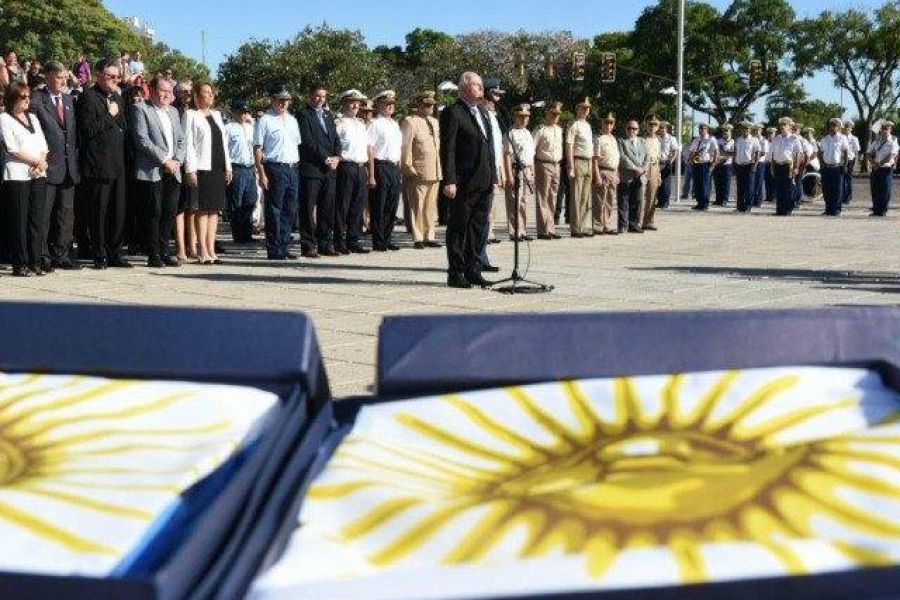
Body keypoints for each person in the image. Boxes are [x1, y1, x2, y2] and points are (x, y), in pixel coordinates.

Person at [440, 71, 496, 289]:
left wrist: (493, 175)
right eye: (476, 85)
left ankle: (473, 269)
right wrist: (449, 180)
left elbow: (488, 147)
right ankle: (456, 272)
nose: (481, 89)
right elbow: (448, 149)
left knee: (477, 227)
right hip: (463, 181)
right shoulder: (453, 113)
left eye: (481, 85)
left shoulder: (483, 113)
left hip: (483, 180)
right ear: (464, 89)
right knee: (459, 228)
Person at [76, 58, 131, 269]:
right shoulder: (88, 97)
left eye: (117, 77)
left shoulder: (118, 96)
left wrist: (116, 116)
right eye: (110, 76)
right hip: (98, 164)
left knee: (118, 211)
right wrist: (110, 115)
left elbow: (123, 125)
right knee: (99, 212)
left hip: (118, 162)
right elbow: (88, 130)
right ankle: (99, 253)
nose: (115, 80)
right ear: (98, 75)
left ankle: (115, 252)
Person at [29, 61, 81, 271]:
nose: (63, 81)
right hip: (47, 166)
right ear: (48, 76)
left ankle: (62, 254)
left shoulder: (68, 99)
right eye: (59, 77)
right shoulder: (37, 100)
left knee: (65, 213)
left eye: (65, 77)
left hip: (69, 166)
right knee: (44, 214)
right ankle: (42, 255)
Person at [131, 75, 185, 267]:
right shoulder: (141, 109)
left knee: (169, 213)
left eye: (169, 91)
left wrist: (177, 160)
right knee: (153, 213)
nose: (166, 94)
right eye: (162, 90)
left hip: (173, 170)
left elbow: (181, 140)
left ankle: (164, 251)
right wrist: (165, 160)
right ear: (152, 90)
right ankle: (153, 253)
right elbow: (142, 140)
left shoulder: (174, 112)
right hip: (152, 170)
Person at [0, 83, 49, 276]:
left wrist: (42, 162)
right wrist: (36, 161)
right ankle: (20, 263)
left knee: (36, 219)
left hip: (38, 173)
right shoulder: (4, 118)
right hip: (18, 174)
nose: (27, 99)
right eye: (23, 96)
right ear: (13, 98)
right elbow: (11, 148)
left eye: (28, 95)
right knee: (19, 220)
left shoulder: (34, 118)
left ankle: (35, 261)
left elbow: (43, 144)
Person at [183, 82, 231, 264]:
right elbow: (189, 144)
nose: (210, 96)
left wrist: (228, 167)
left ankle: (212, 249)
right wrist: (190, 169)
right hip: (202, 167)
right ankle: (202, 249)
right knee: (202, 210)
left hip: (218, 167)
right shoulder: (191, 115)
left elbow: (223, 143)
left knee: (214, 211)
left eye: (212, 93)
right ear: (196, 96)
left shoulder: (218, 115)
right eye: (206, 93)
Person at [254, 84, 301, 260]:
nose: (283, 103)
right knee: (274, 210)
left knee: (290, 209)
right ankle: (274, 248)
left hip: (291, 167)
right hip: (274, 167)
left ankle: (284, 245)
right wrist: (261, 173)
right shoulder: (265, 120)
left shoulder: (292, 120)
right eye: (280, 100)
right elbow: (258, 148)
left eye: (286, 100)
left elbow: (296, 144)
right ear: (273, 100)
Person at [297, 83, 341, 258]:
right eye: (317, 96)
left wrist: (337, 156)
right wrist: (326, 158)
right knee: (308, 209)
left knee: (327, 207)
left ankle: (325, 243)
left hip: (329, 170)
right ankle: (308, 245)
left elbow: (335, 138)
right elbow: (307, 141)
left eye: (323, 96)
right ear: (310, 96)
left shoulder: (328, 115)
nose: (320, 99)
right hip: (311, 169)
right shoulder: (303, 115)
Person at [401, 90, 442, 249]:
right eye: (426, 104)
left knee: (431, 206)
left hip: (434, 170)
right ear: (419, 105)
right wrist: (408, 167)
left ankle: (429, 235)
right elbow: (406, 146)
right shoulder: (411, 122)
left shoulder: (435, 122)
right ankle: (418, 237)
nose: (429, 107)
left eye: (431, 105)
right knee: (416, 205)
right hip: (418, 170)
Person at [334, 89, 370, 254]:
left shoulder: (362, 124)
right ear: (344, 103)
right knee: (343, 205)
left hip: (360, 166)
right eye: (351, 102)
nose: (355, 105)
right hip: (346, 166)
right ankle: (339, 240)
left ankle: (354, 240)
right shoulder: (339, 123)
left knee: (357, 205)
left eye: (357, 103)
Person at [367, 90, 403, 252]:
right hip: (380, 165)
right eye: (386, 104)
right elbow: (370, 148)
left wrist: (399, 168)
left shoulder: (395, 124)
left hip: (393, 166)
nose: (389, 107)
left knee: (392, 205)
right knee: (379, 205)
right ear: (379, 105)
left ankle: (387, 237)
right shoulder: (375, 124)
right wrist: (372, 174)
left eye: (391, 104)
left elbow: (398, 148)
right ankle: (378, 240)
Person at [224, 98, 258, 244]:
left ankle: (247, 233)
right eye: (241, 111)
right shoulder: (228, 128)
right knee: (236, 203)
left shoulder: (251, 128)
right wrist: (227, 168)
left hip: (250, 168)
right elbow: (224, 150)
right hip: (236, 168)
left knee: (250, 201)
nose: (244, 114)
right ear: (234, 112)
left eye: (246, 111)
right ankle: (238, 235)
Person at [503, 103, 535, 242]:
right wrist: (509, 175)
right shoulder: (510, 133)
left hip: (527, 169)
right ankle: (514, 231)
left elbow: (530, 154)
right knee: (513, 202)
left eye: (526, 117)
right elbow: (506, 155)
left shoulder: (528, 133)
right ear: (515, 117)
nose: (524, 119)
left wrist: (532, 171)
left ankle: (523, 230)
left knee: (524, 202)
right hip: (515, 169)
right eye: (521, 117)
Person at [532, 101, 563, 240]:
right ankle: (543, 230)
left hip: (556, 165)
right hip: (543, 164)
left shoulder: (559, 129)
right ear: (547, 114)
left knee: (553, 197)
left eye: (557, 114)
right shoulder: (540, 129)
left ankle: (551, 228)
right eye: (553, 114)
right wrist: (532, 169)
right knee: (542, 197)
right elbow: (532, 149)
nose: (555, 117)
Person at [566, 97, 593, 237]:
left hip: (588, 161)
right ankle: (576, 228)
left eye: (587, 108)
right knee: (576, 196)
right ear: (577, 109)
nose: (586, 110)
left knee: (585, 196)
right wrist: (570, 166)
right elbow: (569, 145)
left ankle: (583, 225)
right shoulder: (574, 124)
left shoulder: (587, 125)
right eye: (583, 108)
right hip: (578, 161)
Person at [617, 119, 648, 233]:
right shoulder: (621, 141)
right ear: (626, 129)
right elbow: (623, 157)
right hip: (627, 175)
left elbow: (647, 157)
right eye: (629, 128)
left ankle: (633, 224)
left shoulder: (642, 142)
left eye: (634, 129)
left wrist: (643, 168)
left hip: (640, 176)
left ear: (638, 130)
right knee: (623, 201)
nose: (631, 131)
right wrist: (635, 168)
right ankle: (622, 226)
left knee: (637, 201)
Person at [591, 112, 620, 235]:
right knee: (599, 201)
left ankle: (606, 224)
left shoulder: (613, 139)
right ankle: (597, 225)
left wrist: (617, 173)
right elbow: (595, 159)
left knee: (609, 201)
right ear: (602, 123)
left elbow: (616, 158)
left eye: (611, 123)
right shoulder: (598, 139)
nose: (608, 125)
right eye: (606, 122)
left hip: (612, 171)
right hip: (602, 170)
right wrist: (596, 175)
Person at [768, 117, 803, 216]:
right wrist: (772, 166)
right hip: (778, 165)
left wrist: (796, 167)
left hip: (788, 166)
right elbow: (772, 154)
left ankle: (787, 210)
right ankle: (779, 210)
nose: (782, 127)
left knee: (788, 189)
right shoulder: (777, 139)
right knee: (779, 189)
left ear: (789, 126)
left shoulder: (793, 138)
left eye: (785, 125)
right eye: (781, 125)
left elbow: (798, 154)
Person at [819, 118, 849, 217]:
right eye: (831, 125)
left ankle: (836, 209)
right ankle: (828, 209)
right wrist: (822, 164)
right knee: (827, 190)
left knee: (837, 190)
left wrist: (844, 165)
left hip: (837, 167)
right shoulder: (825, 138)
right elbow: (821, 152)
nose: (833, 127)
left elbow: (845, 152)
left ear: (839, 127)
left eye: (835, 126)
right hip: (826, 167)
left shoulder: (842, 138)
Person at [867, 121, 897, 217]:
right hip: (875, 168)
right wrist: (872, 162)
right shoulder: (876, 141)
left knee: (884, 190)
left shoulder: (893, 141)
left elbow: (891, 155)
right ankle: (876, 210)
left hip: (886, 168)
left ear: (890, 130)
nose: (884, 131)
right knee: (875, 189)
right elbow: (868, 153)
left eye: (886, 129)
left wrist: (879, 164)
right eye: (882, 129)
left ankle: (882, 211)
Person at [688, 123, 718, 210]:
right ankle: (699, 203)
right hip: (696, 163)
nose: (701, 130)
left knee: (705, 185)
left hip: (705, 163)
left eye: (703, 128)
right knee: (697, 184)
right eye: (700, 129)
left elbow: (716, 152)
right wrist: (689, 160)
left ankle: (705, 204)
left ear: (707, 129)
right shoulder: (696, 140)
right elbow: (691, 151)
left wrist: (713, 164)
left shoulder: (711, 139)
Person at [733, 121, 760, 213]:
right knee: (740, 187)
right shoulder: (738, 140)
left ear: (750, 130)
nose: (745, 130)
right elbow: (736, 152)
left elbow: (757, 153)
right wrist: (735, 163)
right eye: (744, 128)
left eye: (747, 129)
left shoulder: (754, 140)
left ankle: (748, 206)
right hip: (739, 165)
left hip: (749, 165)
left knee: (749, 187)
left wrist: (755, 165)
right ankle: (739, 206)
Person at [641, 116, 662, 231]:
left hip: (654, 166)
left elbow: (658, 159)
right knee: (642, 195)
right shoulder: (643, 140)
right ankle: (640, 220)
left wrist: (658, 174)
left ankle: (649, 221)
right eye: (650, 125)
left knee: (652, 196)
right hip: (645, 167)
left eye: (655, 125)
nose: (652, 127)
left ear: (658, 127)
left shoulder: (658, 141)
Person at [656, 120, 680, 210]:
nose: (661, 130)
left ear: (666, 129)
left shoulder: (671, 139)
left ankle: (666, 202)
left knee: (666, 184)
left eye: (663, 128)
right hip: (657, 163)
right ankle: (660, 201)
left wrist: (671, 161)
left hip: (666, 162)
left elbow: (675, 151)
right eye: (660, 128)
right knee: (658, 183)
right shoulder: (656, 138)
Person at [713, 124, 734, 206]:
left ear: (730, 132)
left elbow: (732, 153)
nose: (725, 133)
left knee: (726, 183)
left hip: (727, 164)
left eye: (727, 131)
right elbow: (716, 152)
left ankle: (725, 199)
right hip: (718, 164)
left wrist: (724, 157)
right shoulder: (718, 141)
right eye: (724, 131)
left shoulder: (732, 141)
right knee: (718, 183)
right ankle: (718, 199)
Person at [842, 120, 860, 205]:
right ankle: (841, 196)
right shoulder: (840, 137)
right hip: (841, 161)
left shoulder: (854, 139)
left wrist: (856, 162)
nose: (846, 129)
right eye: (845, 127)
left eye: (848, 127)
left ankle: (848, 197)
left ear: (851, 129)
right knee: (841, 179)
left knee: (848, 180)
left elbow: (856, 152)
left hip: (850, 160)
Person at [751, 124, 768, 207]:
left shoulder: (764, 140)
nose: (756, 132)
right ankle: (752, 199)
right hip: (751, 162)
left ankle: (758, 201)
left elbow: (763, 152)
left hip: (760, 163)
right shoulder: (752, 139)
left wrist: (754, 156)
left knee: (758, 182)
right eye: (755, 130)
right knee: (752, 182)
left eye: (758, 130)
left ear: (761, 131)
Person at [763, 127, 777, 203]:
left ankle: (774, 196)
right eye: (769, 133)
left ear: (774, 134)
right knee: (767, 180)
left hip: (774, 163)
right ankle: (768, 196)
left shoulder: (777, 142)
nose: (770, 135)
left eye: (772, 133)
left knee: (774, 180)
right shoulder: (765, 142)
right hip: (766, 163)